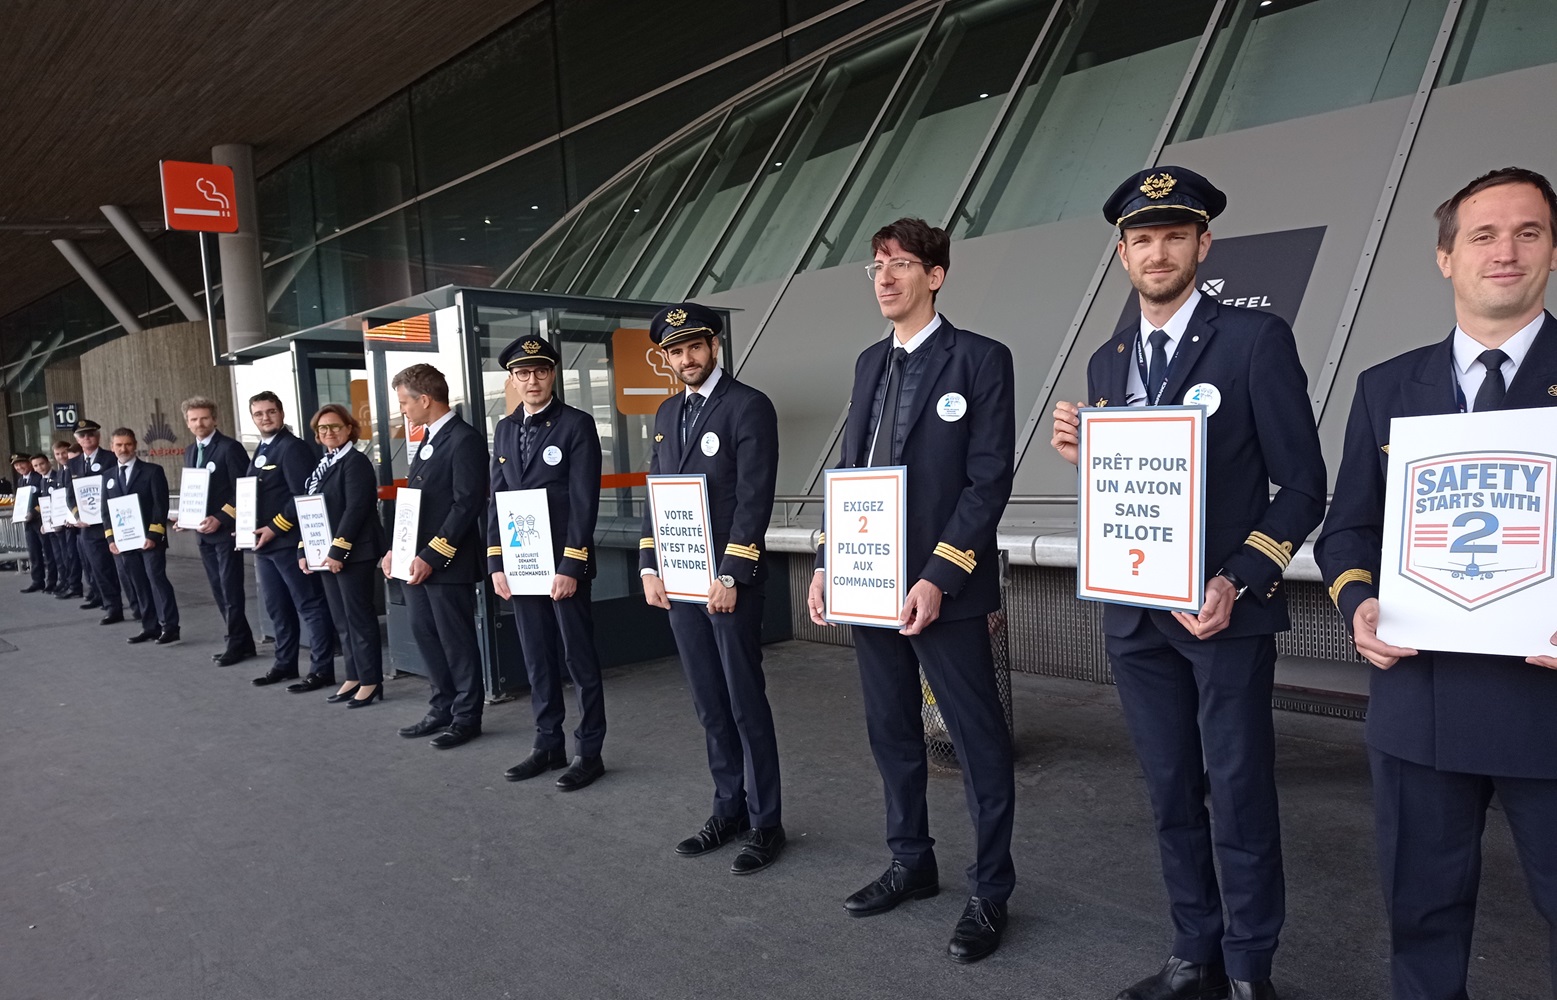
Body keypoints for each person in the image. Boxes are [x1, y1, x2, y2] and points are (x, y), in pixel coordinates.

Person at [1050, 167, 1326, 1000]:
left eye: (1175, 234)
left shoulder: (1254, 340)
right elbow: (1137, 491)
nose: (1157, 251)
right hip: (1134, 620)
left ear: (1203, 245)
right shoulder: (1105, 360)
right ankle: (1190, 950)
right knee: (1169, 791)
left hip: (1221, 616)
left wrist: (1240, 578)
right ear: (1122, 254)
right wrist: (1085, 461)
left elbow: (1304, 485)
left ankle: (1248, 969)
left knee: (1237, 795)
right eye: (1141, 238)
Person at [1315, 166, 1557, 1000]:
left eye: (1527, 232)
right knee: (1419, 916)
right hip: (1419, 705)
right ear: (1444, 257)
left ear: (1552, 253)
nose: (1505, 251)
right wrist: (1358, 602)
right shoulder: (1386, 387)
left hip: (1549, 707)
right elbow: (1345, 527)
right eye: (1482, 235)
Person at [806, 218, 1017, 964]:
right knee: (890, 730)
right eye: (876, 267)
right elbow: (852, 472)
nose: (885, 277)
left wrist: (940, 573)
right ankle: (911, 861)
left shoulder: (981, 360)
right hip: (868, 583)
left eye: (900, 264)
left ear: (935, 275)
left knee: (977, 741)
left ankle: (990, 890)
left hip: (943, 591)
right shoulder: (869, 363)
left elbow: (987, 479)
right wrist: (832, 559)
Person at [638, 302, 785, 875]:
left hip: (728, 585)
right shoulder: (666, 410)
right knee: (708, 702)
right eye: (675, 351)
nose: (686, 358)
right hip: (678, 583)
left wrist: (732, 573)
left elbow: (754, 497)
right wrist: (650, 565)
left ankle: (767, 822)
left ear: (714, 347)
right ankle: (728, 809)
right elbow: (658, 493)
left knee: (746, 702)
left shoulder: (749, 406)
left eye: (694, 346)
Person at [487, 336, 607, 790]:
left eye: (539, 371)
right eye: (522, 373)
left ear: (553, 374)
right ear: (513, 379)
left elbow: (583, 500)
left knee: (579, 660)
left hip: (562, 566)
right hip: (520, 564)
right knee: (537, 658)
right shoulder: (502, 429)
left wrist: (571, 565)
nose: (531, 380)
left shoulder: (576, 424)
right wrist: (496, 561)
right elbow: (496, 499)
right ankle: (547, 743)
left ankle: (589, 750)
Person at [381, 364, 489, 749]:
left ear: (425, 399)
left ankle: (466, 716)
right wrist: (399, 547)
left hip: (446, 563)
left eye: (405, 402)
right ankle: (441, 705)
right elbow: (415, 506)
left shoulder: (464, 440)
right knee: (427, 636)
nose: (403, 410)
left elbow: (467, 504)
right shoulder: (427, 439)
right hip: (416, 562)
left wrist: (431, 554)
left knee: (456, 641)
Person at [245, 391, 338, 691]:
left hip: (289, 542)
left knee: (309, 605)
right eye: (259, 414)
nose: (265, 418)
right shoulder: (262, 449)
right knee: (278, 608)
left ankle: (322, 669)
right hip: (264, 545)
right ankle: (285, 664)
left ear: (282, 413)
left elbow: (304, 496)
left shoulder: (293, 448)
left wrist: (274, 527)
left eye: (271, 411)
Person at [296, 404, 387, 708]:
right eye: (323, 429)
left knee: (359, 618)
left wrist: (339, 550)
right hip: (324, 553)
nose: (329, 432)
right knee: (342, 620)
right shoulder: (323, 465)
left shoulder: (355, 462)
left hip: (353, 553)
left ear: (349, 428)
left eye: (335, 426)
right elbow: (310, 510)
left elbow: (357, 508)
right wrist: (303, 549)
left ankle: (371, 680)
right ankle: (354, 674)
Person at [180, 396, 258, 666]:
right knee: (217, 589)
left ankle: (235, 643)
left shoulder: (229, 448)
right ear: (187, 423)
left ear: (214, 419)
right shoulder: (191, 451)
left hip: (225, 533)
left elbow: (244, 489)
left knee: (230, 589)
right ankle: (244, 641)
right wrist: (185, 517)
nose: (199, 423)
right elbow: (193, 491)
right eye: (193, 419)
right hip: (203, 533)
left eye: (203, 418)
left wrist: (222, 517)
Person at [103, 428, 181, 644]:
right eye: (118, 445)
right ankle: (150, 626)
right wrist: (111, 539)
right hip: (124, 541)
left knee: (156, 580)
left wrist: (153, 535)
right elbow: (106, 511)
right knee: (138, 583)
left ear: (135, 445)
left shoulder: (152, 471)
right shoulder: (108, 476)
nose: (123, 448)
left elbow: (160, 505)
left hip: (150, 539)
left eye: (127, 444)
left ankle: (170, 626)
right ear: (112, 447)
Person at [70, 421, 124, 622]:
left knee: (124, 569)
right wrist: (77, 515)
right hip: (89, 528)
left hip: (113, 522)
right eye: (82, 435)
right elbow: (70, 495)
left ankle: (138, 608)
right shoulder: (73, 464)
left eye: (90, 434)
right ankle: (112, 607)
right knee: (100, 568)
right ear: (76, 439)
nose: (87, 438)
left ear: (98, 436)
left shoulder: (111, 458)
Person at [63, 439, 100, 609]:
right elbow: (69, 496)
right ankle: (95, 592)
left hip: (97, 523)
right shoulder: (69, 470)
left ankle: (102, 595)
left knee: (100, 565)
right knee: (87, 563)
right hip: (78, 525)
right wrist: (76, 516)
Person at [49, 440, 83, 600]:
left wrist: (73, 516)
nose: (61, 456)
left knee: (74, 556)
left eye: (64, 452)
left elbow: (76, 495)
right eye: (57, 454)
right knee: (67, 555)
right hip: (64, 521)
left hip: (76, 520)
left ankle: (75, 586)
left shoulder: (75, 469)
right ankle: (71, 584)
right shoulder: (61, 472)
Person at [15, 453, 48, 594]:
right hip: (28, 523)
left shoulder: (38, 477)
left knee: (48, 552)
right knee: (34, 553)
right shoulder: (21, 481)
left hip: (41, 520)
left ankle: (53, 581)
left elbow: (44, 498)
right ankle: (37, 581)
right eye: (16, 465)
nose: (19, 467)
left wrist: (33, 513)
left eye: (21, 463)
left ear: (29, 464)